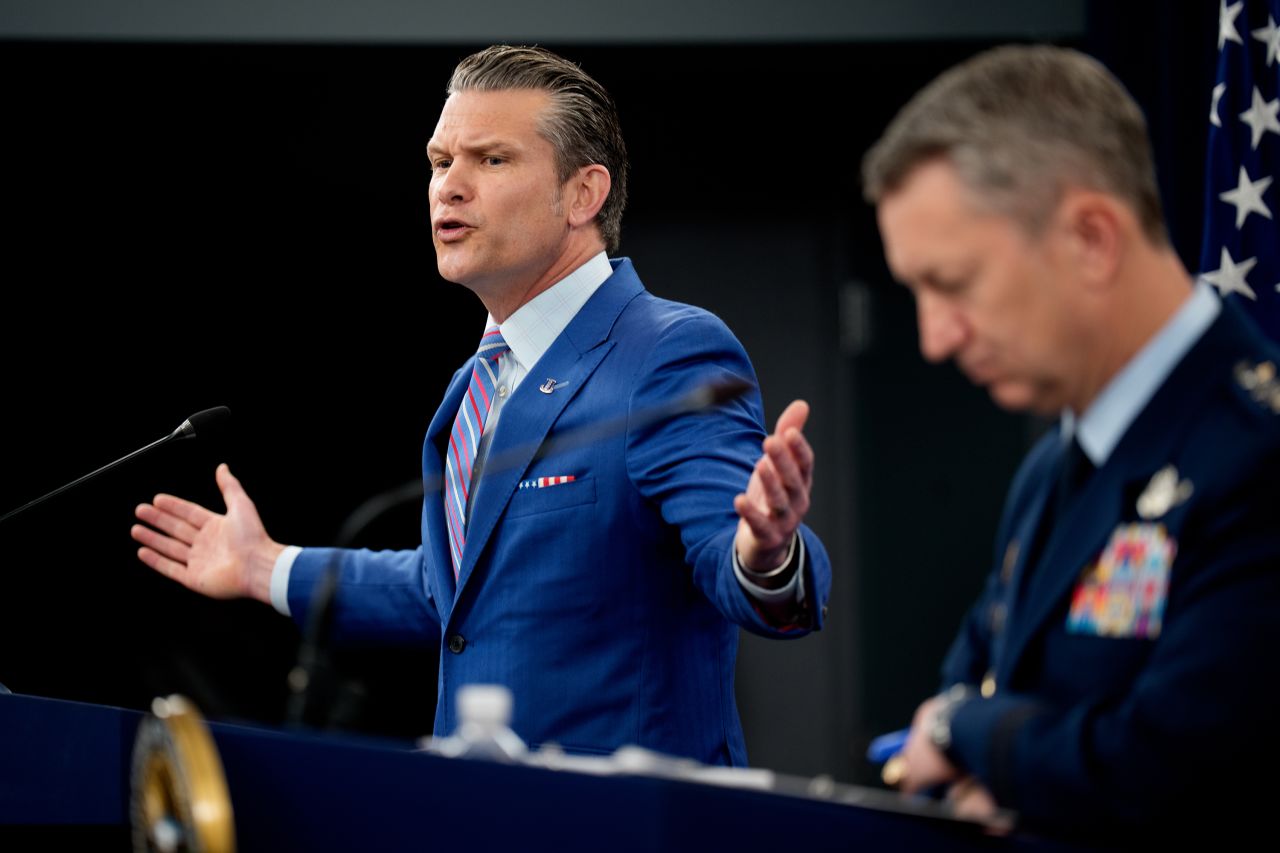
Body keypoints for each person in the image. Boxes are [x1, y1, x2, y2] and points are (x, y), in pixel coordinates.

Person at [131, 45, 831, 767]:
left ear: (582, 194)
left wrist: (766, 553)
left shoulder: (667, 351)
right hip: (479, 806)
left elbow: (739, 558)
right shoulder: (477, 381)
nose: (449, 188)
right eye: (439, 162)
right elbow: (456, 593)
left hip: (623, 814)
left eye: (491, 160)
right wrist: (266, 567)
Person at [862, 44, 1280, 837]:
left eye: (953, 284)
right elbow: (971, 679)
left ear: (1091, 239)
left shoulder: (1256, 455)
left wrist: (965, 733)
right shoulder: (1054, 466)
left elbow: (1160, 769)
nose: (934, 339)